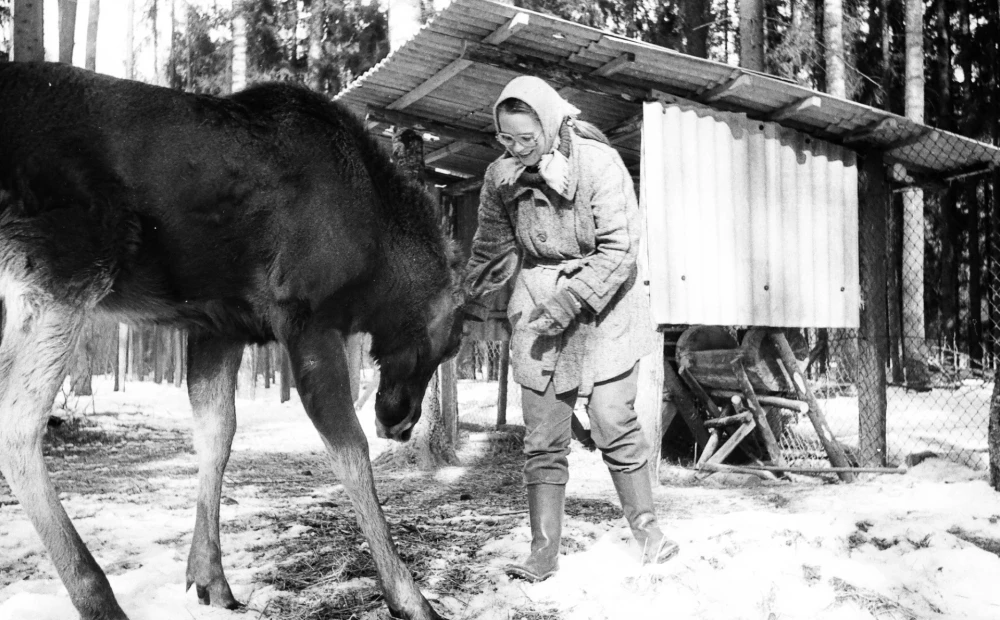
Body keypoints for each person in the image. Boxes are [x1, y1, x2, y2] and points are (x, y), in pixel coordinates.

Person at [465, 75, 679, 582]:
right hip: (538, 305)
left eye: (527, 139)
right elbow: (490, 247)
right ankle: (543, 552)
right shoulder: (501, 176)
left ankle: (649, 533)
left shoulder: (598, 164)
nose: (517, 149)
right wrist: (468, 294)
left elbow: (621, 248)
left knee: (611, 419)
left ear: (551, 123)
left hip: (606, 305)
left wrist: (574, 299)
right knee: (542, 436)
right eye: (507, 139)